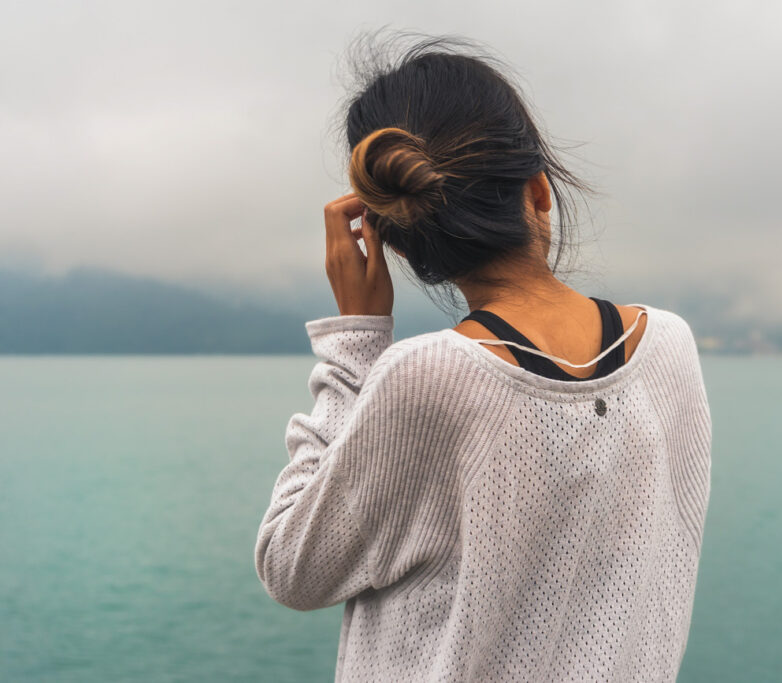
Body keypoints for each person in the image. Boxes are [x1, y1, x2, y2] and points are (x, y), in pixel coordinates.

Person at [254, 30, 712, 683]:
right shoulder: (669, 347)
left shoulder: (430, 375)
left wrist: (354, 341)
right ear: (538, 189)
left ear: (405, 246)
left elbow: (291, 566)